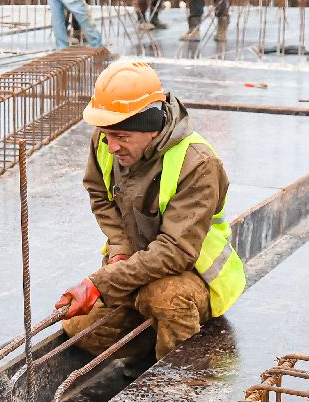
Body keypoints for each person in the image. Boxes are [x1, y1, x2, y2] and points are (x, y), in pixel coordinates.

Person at [57, 59, 246, 360]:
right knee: (82, 329)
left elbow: (175, 251)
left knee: (164, 298)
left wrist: (101, 282)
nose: (112, 146)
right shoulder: (108, 138)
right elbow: (99, 193)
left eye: (122, 137)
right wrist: (119, 247)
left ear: (151, 129)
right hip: (140, 264)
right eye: (107, 135)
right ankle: (156, 337)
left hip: (194, 275)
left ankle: (178, 378)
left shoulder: (197, 162)